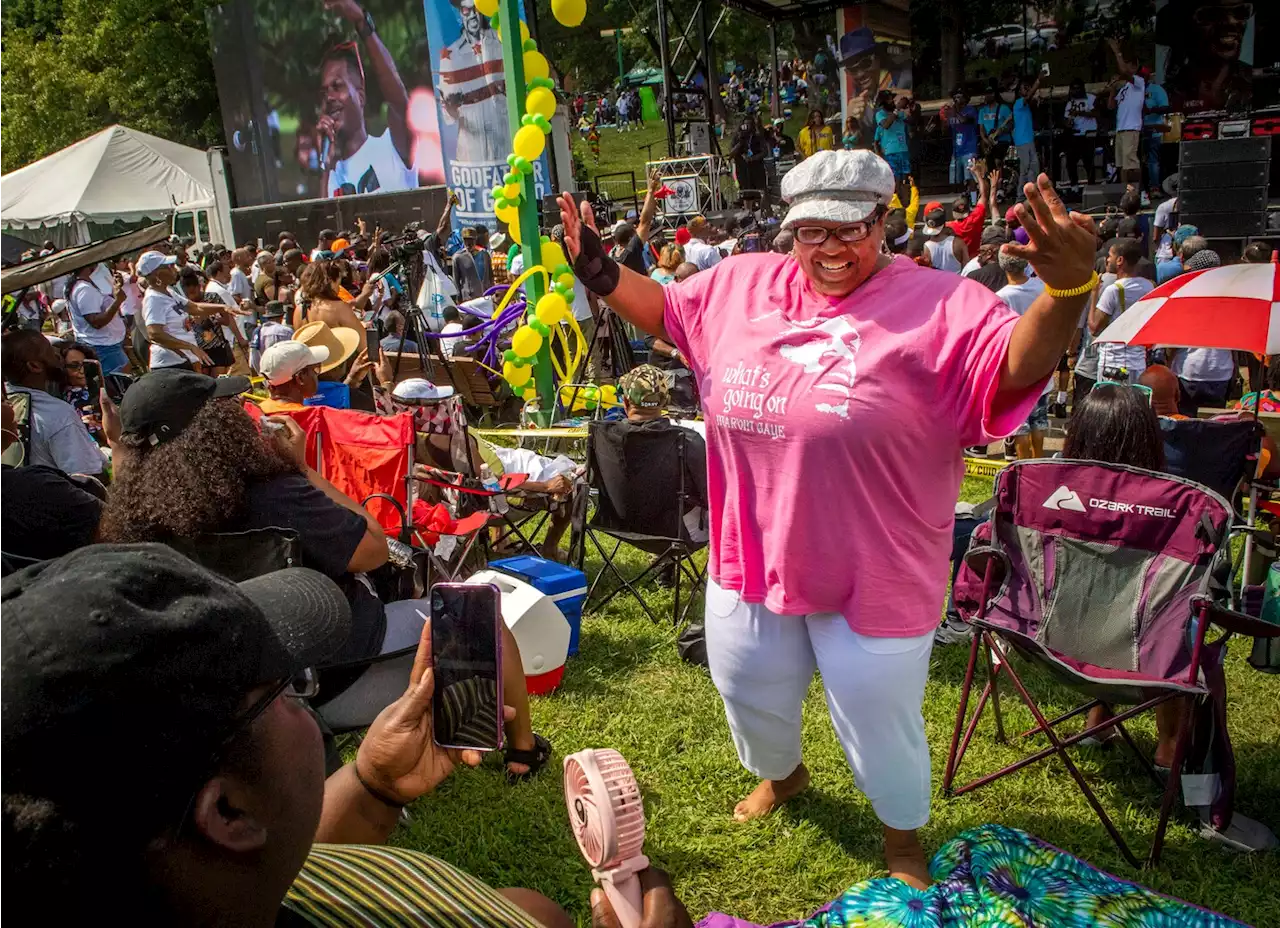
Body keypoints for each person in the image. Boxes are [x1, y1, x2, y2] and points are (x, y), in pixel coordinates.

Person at [555, 149, 1100, 887]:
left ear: (885, 221)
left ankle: (901, 839)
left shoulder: (943, 305)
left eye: (852, 228)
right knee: (747, 687)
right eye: (813, 230)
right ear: (791, 229)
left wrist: (1066, 289)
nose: (833, 247)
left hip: (875, 568)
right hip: (753, 555)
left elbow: (1012, 367)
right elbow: (670, 311)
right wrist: (598, 271)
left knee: (880, 722)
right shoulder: (743, 284)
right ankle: (783, 778)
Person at [0, 543, 572, 926]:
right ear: (227, 812)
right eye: (291, 686)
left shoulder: (188, 886)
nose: (303, 701)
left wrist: (374, 785)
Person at [1064, 383, 1191, 766]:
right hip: (1139, 646)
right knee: (1179, 619)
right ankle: (1168, 744)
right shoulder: (1172, 506)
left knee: (1106, 600)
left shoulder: (1044, 491)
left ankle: (1100, 719)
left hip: (1050, 637)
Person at [315, 0, 418, 197]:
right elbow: (324, 226)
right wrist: (324, 167)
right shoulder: (332, 174)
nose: (329, 97)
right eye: (323, 93)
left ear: (360, 97)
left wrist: (362, 23)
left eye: (337, 86)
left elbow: (398, 103)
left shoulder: (390, 147)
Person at [597, 364, 708, 539]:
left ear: (625, 402)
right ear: (665, 402)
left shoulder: (602, 434)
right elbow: (709, 493)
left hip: (617, 524)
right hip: (674, 533)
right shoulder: (687, 439)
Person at [0, 379, 103, 566]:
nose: (11, 406)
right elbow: (121, 526)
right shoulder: (35, 488)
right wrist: (121, 446)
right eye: (2, 400)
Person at [0, 329, 105, 476]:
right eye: (49, 351)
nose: (57, 356)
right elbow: (86, 477)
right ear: (35, 366)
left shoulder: (6, 401)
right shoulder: (59, 415)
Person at [1166, 249, 1236, 415]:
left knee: (1187, 423)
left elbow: (1173, 341)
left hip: (1189, 370)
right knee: (1214, 426)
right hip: (1220, 372)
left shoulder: (1185, 298)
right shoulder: (1232, 298)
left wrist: (1168, 365)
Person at [439, 0, 508, 163]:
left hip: (506, 143)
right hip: (473, 153)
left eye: (475, 9)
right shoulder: (451, 56)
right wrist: (450, 107)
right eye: (466, 10)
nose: (472, 15)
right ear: (459, 13)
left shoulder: (502, 44)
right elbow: (448, 117)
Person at [996, 252, 1050, 458]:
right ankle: (1038, 461)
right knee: (1039, 420)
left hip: (1015, 365)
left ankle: (1023, 466)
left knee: (1020, 422)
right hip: (1043, 360)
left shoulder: (1002, 296)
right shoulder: (1042, 287)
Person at [137, 250, 228, 371]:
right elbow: (154, 333)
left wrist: (224, 307)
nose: (174, 269)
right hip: (170, 364)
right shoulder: (153, 299)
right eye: (169, 266)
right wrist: (189, 347)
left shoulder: (168, 292)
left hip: (183, 361)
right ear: (158, 274)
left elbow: (195, 307)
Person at [1090, 238, 1154, 383]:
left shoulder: (1113, 290)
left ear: (1119, 260)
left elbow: (1094, 327)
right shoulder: (1149, 287)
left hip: (1113, 362)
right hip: (1138, 362)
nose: (1107, 260)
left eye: (1110, 256)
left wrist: (1094, 294)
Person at [66, 263, 130, 374]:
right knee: (117, 384)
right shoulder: (84, 289)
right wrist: (118, 301)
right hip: (103, 347)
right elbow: (96, 322)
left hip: (105, 345)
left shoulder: (87, 286)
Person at [1107, 40, 1147, 189]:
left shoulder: (1139, 82)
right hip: (1121, 129)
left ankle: (1139, 191)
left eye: (1129, 64)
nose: (1125, 67)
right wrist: (1112, 89)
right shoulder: (1123, 88)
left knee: (1131, 163)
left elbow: (1124, 72)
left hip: (1131, 127)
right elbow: (1111, 106)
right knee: (1122, 165)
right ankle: (1126, 192)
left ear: (1135, 67)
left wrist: (1117, 52)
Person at [1063, 78, 1099, 189]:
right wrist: (1069, 123)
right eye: (1073, 89)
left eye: (1077, 88)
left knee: (1088, 162)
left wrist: (1079, 113)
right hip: (1075, 135)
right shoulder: (1070, 103)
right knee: (1070, 162)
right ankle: (1074, 188)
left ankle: (1091, 187)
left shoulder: (1091, 98)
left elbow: (1097, 113)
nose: (1075, 91)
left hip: (1089, 135)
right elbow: (1066, 121)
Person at [1142, 69, 1171, 201]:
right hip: (1136, 129)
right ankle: (1139, 190)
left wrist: (1150, 110)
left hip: (1154, 129)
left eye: (1143, 76)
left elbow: (1165, 107)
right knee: (1137, 162)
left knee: (1152, 160)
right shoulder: (1133, 90)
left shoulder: (1156, 89)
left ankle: (1155, 188)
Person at [1011, 75, 1042, 194]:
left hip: (1028, 140)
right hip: (1023, 140)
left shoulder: (1026, 106)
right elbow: (1029, 97)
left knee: (1033, 167)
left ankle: (1030, 193)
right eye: (1025, 88)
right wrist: (1038, 81)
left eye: (1028, 87)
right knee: (1026, 168)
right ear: (1019, 92)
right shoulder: (1019, 103)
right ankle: (1021, 196)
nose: (1028, 90)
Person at [729, 116, 770, 203]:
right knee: (746, 194)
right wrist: (740, 142)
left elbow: (765, 152)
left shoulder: (757, 137)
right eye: (745, 124)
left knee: (761, 191)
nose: (747, 126)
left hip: (757, 169)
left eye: (749, 124)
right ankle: (748, 212)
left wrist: (752, 158)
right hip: (742, 169)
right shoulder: (737, 138)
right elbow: (731, 154)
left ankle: (764, 211)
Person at [945, 88, 979, 192]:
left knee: (970, 177)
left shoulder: (971, 110)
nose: (956, 99)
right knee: (956, 178)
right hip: (957, 150)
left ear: (965, 99)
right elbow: (946, 130)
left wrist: (955, 111)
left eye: (959, 97)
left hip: (969, 148)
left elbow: (964, 120)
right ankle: (961, 199)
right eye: (955, 97)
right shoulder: (951, 112)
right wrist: (944, 117)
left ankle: (973, 201)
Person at [873, 92, 911, 182]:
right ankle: (896, 196)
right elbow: (886, 125)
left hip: (903, 150)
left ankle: (905, 195)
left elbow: (911, 120)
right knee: (894, 179)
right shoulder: (880, 114)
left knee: (906, 178)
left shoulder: (899, 113)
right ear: (884, 102)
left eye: (893, 99)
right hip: (891, 152)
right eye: (890, 99)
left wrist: (909, 106)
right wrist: (897, 109)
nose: (893, 102)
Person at [919, 203, 967, 273]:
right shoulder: (959, 243)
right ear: (944, 224)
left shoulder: (926, 246)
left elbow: (927, 271)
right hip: (958, 281)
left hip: (938, 283)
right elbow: (967, 267)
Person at [977, 81, 1013, 171]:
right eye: (987, 94)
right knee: (989, 167)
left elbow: (1011, 124)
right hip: (988, 142)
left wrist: (1003, 130)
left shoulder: (1003, 108)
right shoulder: (982, 111)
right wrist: (986, 140)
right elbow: (981, 130)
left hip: (1002, 141)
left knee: (998, 163)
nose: (988, 96)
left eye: (991, 93)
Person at [250, 301, 295, 372]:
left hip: (265, 375)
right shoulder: (286, 331)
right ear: (282, 316)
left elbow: (254, 359)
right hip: (285, 374)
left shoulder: (257, 331)